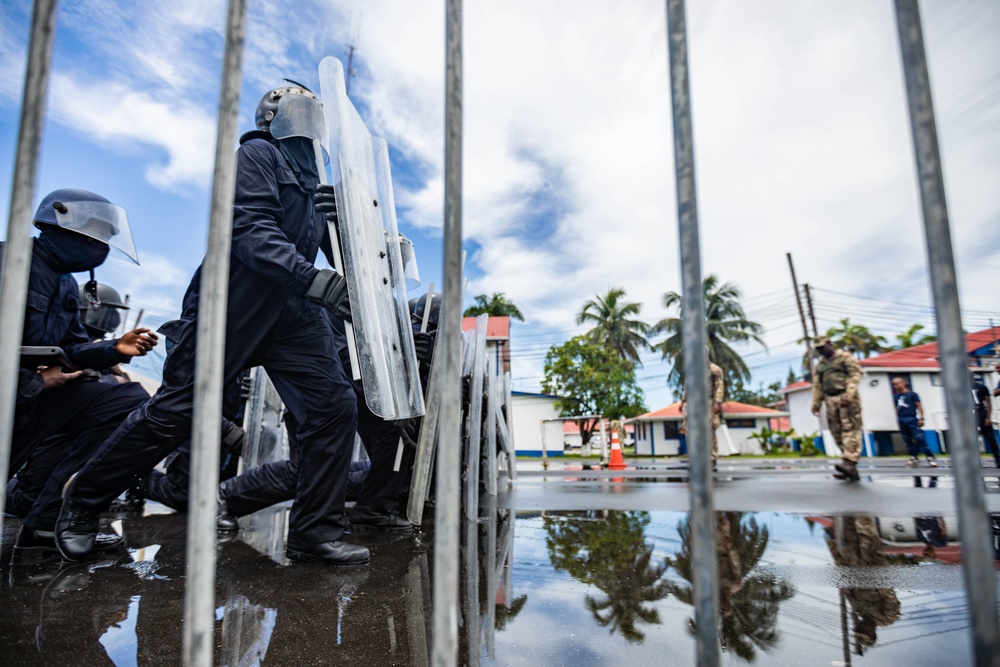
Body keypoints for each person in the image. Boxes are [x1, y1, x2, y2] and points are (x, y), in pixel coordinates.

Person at [56, 83, 368, 566]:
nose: (310, 119)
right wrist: (312, 279)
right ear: (273, 113)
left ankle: (315, 531)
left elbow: (340, 256)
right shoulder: (257, 155)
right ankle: (82, 501)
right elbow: (248, 229)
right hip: (234, 302)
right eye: (299, 105)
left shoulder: (315, 183)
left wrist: (343, 226)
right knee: (177, 411)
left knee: (333, 406)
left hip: (292, 312)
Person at [5, 188, 156, 561]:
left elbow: (70, 350)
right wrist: (34, 383)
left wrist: (112, 350)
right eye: (96, 235)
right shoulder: (12, 261)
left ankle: (46, 525)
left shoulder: (65, 284)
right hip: (15, 395)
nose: (100, 246)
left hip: (29, 403)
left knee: (126, 401)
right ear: (63, 224)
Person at [811, 336, 864, 481]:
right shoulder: (821, 364)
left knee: (850, 428)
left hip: (845, 397)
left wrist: (849, 395)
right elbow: (817, 384)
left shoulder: (845, 357)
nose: (821, 350)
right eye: (818, 349)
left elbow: (856, 374)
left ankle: (849, 461)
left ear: (829, 344)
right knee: (836, 431)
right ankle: (849, 466)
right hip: (830, 399)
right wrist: (816, 403)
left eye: (823, 347)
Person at [680, 352, 725, 472]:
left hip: (708, 401)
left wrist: (717, 402)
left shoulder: (715, 369)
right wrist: (683, 401)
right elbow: (687, 386)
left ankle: (711, 459)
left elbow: (719, 386)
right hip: (694, 402)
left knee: (709, 430)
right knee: (690, 429)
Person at [891, 377, 937, 468]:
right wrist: (898, 421)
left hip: (911, 418)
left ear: (903, 383)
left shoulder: (912, 394)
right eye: (893, 385)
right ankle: (914, 457)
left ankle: (930, 457)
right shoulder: (896, 396)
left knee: (919, 438)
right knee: (907, 440)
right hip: (902, 419)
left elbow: (919, 406)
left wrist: (921, 418)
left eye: (896, 384)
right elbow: (896, 409)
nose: (895, 386)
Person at [972, 374, 1000, 468]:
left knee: (991, 439)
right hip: (970, 415)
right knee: (971, 440)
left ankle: (998, 460)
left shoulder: (981, 387)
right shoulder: (962, 389)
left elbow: (988, 402)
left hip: (981, 413)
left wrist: (988, 417)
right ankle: (975, 462)